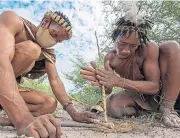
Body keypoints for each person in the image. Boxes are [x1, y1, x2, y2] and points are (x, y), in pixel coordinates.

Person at [0, 10, 95, 138]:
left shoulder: (48, 54)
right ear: (45, 22)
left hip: (8, 88)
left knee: (49, 103)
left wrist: (74, 113)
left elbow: (55, 81)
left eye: (58, 41)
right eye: (54, 34)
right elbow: (2, 60)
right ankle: (16, 116)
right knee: (32, 49)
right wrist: (23, 119)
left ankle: (5, 119)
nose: (54, 41)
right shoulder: (13, 20)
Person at [80, 12, 180, 128]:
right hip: (142, 97)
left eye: (133, 46)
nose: (126, 50)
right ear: (115, 37)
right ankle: (149, 111)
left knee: (171, 47)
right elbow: (108, 90)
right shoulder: (110, 58)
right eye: (122, 43)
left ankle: (167, 108)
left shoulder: (148, 48)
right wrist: (102, 81)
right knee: (113, 106)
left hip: (168, 92)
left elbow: (154, 86)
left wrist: (118, 81)